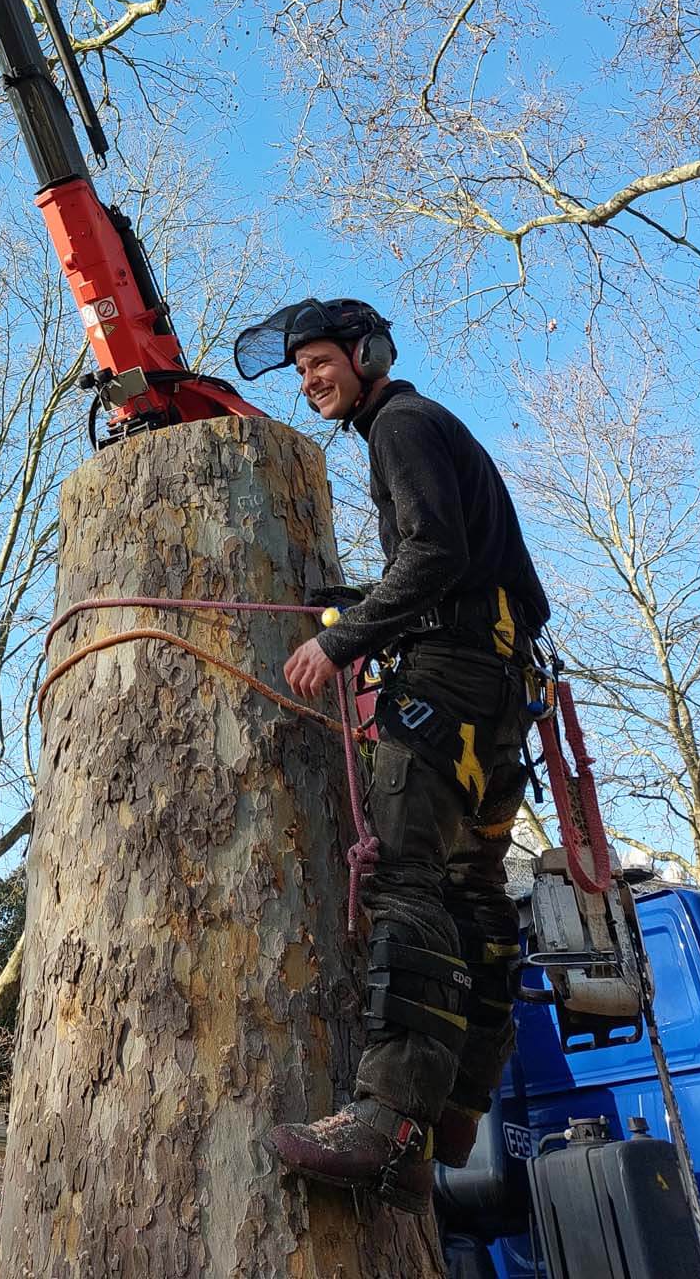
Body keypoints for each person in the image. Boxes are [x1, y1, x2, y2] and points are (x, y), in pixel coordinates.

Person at [232, 297, 549, 1216]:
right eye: (298, 371)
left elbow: (437, 553)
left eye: (320, 361)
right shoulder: (420, 428)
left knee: (405, 882)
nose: (308, 382)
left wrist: (346, 636)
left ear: (366, 354)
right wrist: (357, 602)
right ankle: (454, 1112)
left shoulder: (400, 424)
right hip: (498, 684)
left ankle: (388, 1123)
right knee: (472, 890)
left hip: (450, 680)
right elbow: (450, 561)